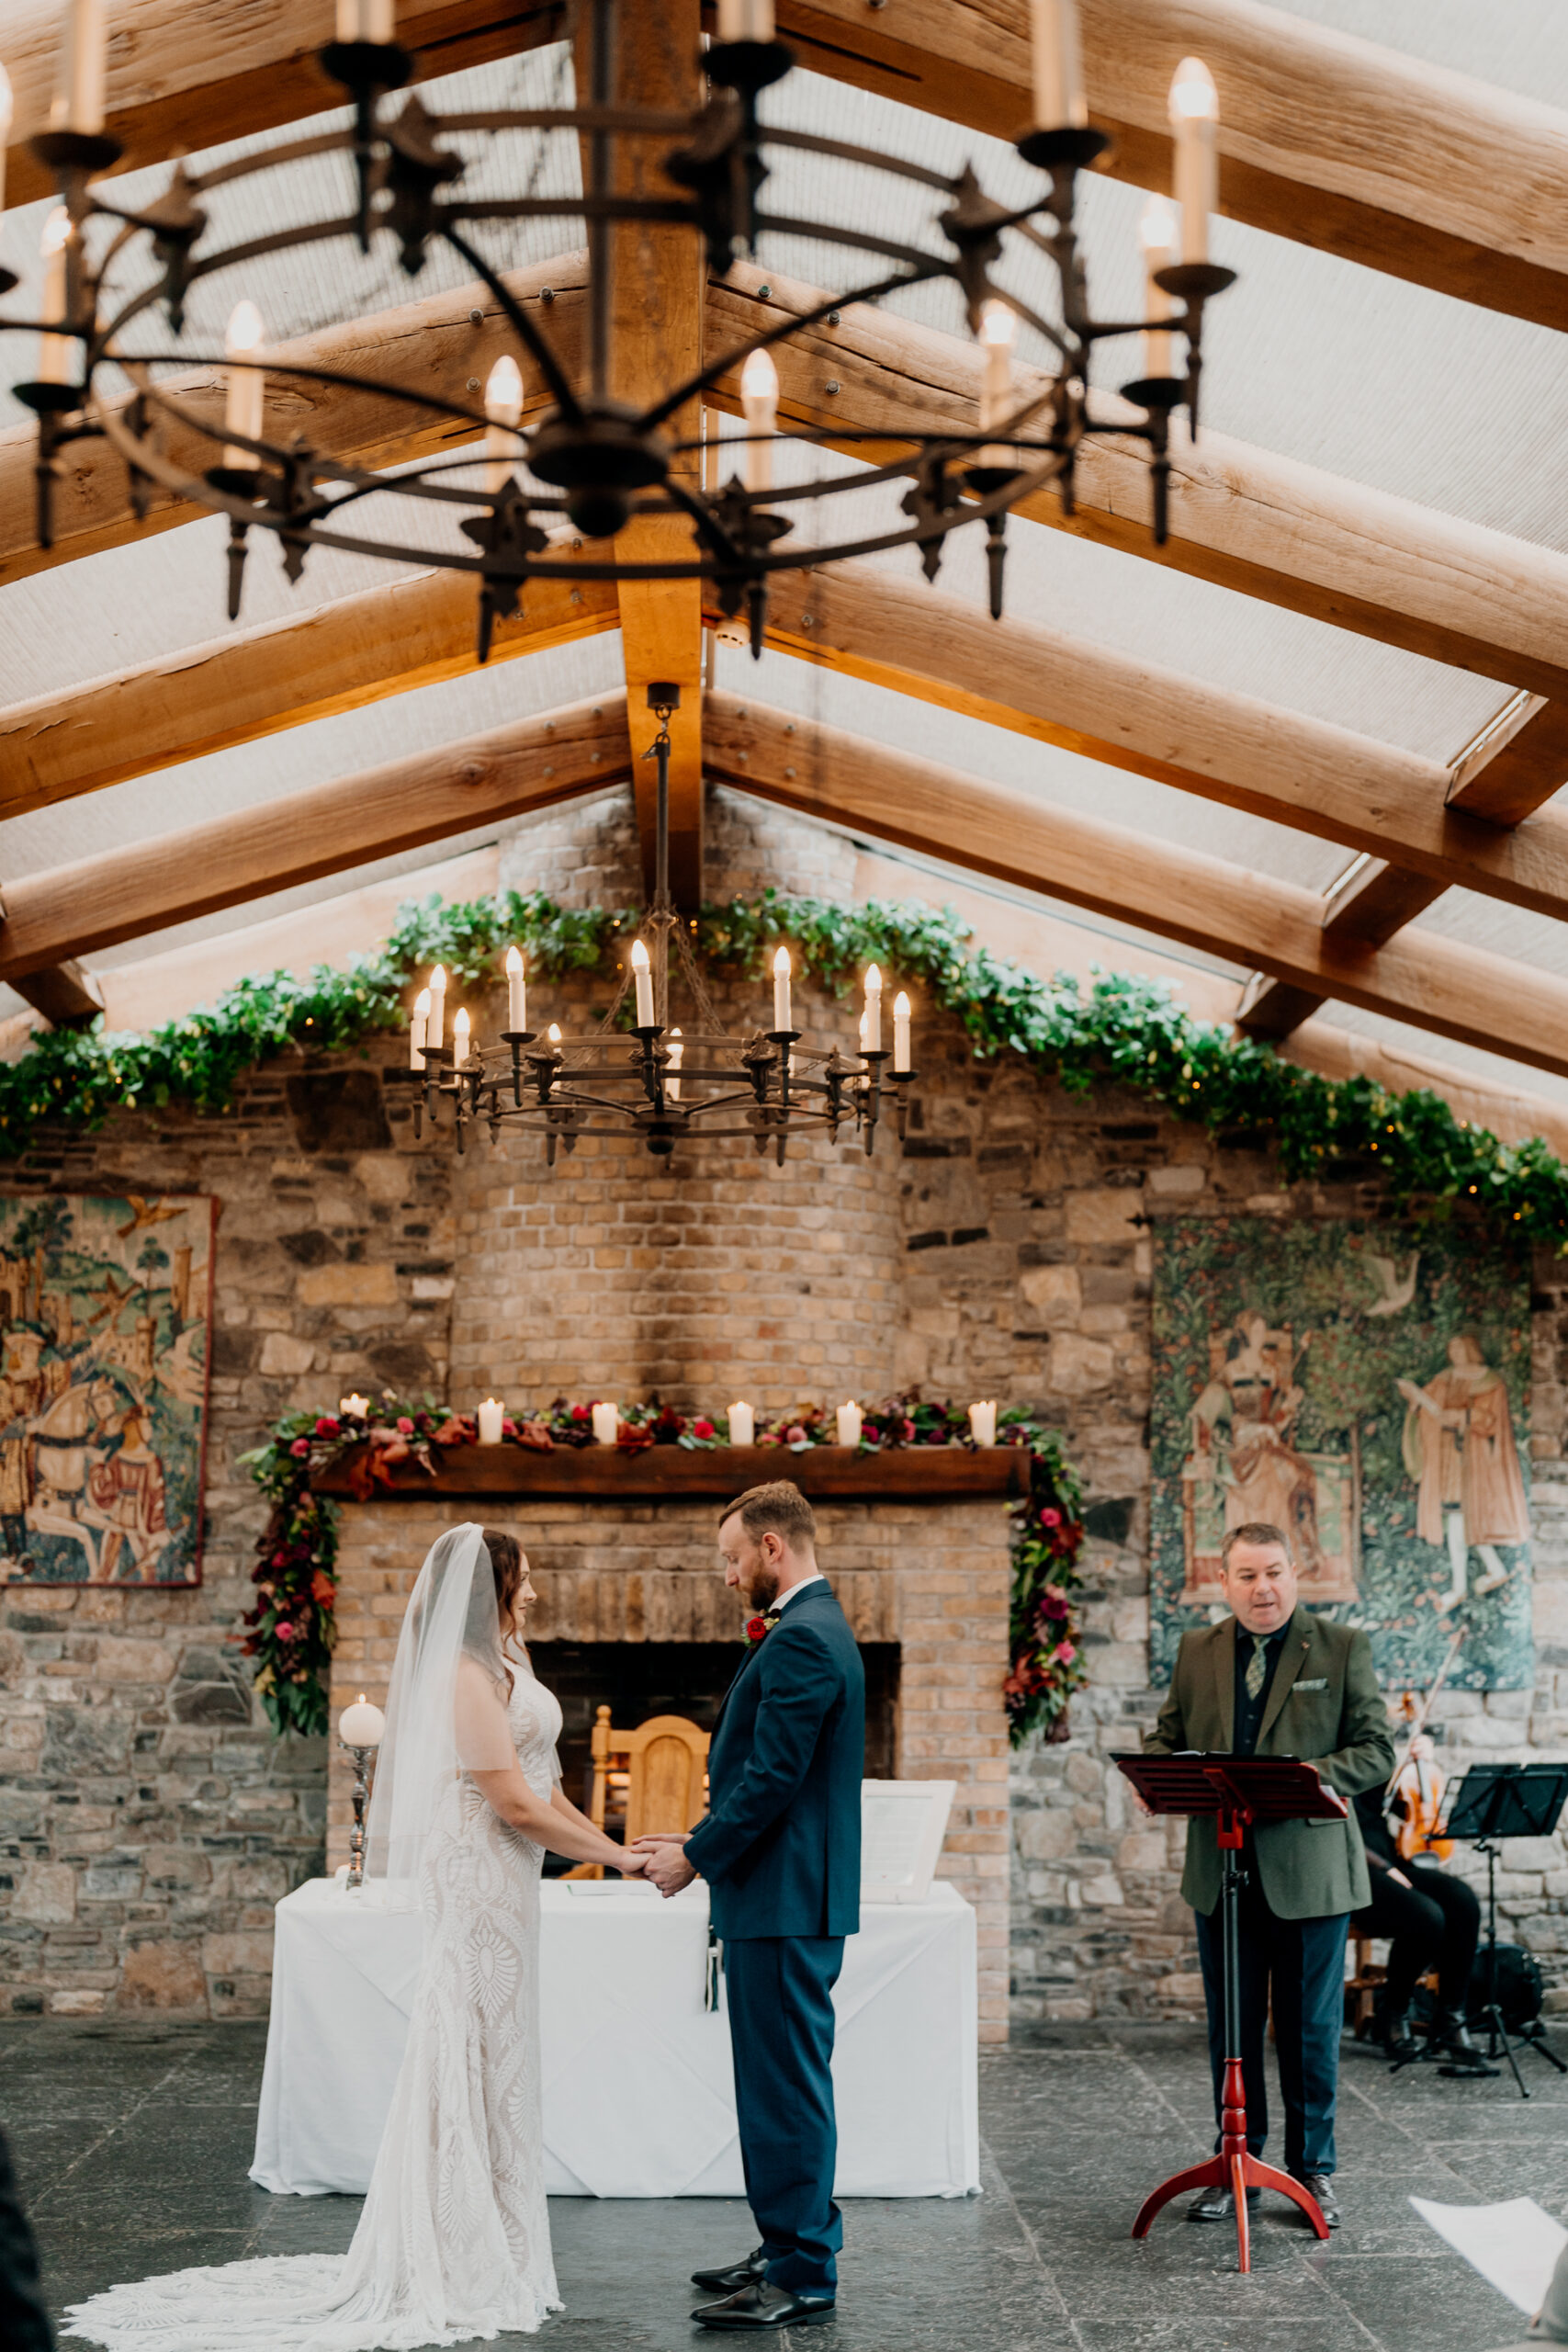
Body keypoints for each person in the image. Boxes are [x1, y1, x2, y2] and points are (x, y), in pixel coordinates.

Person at [62, 1522, 645, 2351]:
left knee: (502, 2047)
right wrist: (618, 1863)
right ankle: (450, 2245)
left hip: (513, 1879)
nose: (537, 1591)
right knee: (468, 2039)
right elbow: (512, 1805)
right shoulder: (464, 1674)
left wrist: (620, 1847)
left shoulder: (511, 1664)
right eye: (526, 1578)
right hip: (476, 1871)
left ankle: (501, 2246)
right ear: (492, 1588)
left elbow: (545, 1786)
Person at [637, 1480, 865, 2333]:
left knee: (785, 2090)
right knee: (778, 2084)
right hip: (777, 1894)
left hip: (782, 1900)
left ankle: (804, 2269)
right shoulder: (809, 1627)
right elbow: (765, 1777)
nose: (728, 1575)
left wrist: (693, 1857)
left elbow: (773, 1778)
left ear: (774, 1547)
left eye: (733, 1557)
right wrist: (694, 1837)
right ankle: (785, 2244)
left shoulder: (804, 1637)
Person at [1145, 1520, 1393, 2231]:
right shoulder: (1196, 1650)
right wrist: (1157, 1771)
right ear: (1223, 1582)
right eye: (1248, 1575)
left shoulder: (1341, 1647)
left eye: (1275, 1572)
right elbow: (1169, 1736)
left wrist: (1319, 1775)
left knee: (1309, 2029)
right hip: (1219, 1871)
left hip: (1311, 1874)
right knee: (1232, 2027)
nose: (1263, 1588)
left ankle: (1312, 2170)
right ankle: (1235, 2166)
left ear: (1295, 1574)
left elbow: (1375, 1748)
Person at [1351, 1783, 1490, 2071]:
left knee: (1463, 1902)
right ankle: (1393, 2012)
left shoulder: (1375, 1752)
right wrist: (1385, 1868)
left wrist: (1420, 1770)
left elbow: (1403, 1807)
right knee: (1426, 1916)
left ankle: (1450, 2016)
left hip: (1387, 1854)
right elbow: (1335, 1831)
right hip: (1351, 1868)